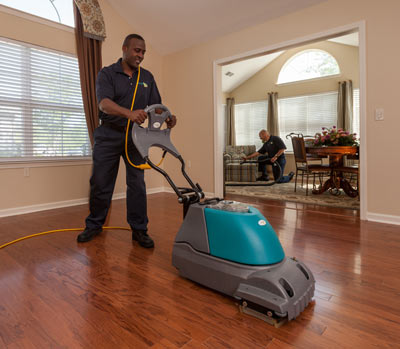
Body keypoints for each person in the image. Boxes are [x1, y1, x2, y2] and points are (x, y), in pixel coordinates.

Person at [77, 34, 177, 247]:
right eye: (136, 50)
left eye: (143, 52)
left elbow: (156, 106)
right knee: (101, 183)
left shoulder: (147, 77)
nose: (140, 55)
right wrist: (129, 113)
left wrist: (167, 116)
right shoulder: (107, 73)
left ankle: (139, 230)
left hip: (135, 136)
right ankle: (94, 225)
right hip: (108, 134)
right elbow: (104, 104)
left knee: (137, 184)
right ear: (124, 49)